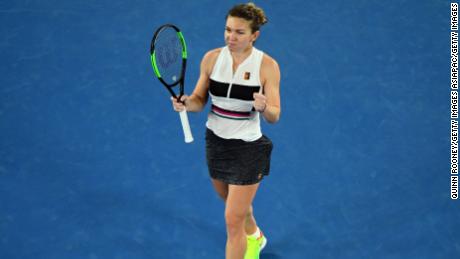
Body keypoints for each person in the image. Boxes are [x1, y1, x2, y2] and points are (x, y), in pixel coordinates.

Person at [171, 2, 281, 258]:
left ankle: (248, 247)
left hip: (248, 148)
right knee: (232, 203)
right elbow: (199, 101)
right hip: (216, 143)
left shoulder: (267, 66)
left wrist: (264, 107)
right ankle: (255, 235)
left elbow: (275, 116)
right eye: (228, 30)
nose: (231, 37)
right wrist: (186, 103)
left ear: (255, 35)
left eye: (240, 32)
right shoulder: (211, 59)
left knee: (233, 221)